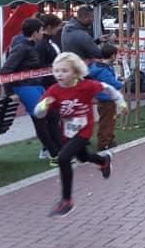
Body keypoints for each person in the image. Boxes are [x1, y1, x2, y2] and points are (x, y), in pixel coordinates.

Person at [33, 52, 127, 217]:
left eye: (64, 71)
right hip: (68, 131)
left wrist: (120, 101)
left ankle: (66, 201)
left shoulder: (86, 86)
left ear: (75, 72)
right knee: (83, 157)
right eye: (56, 71)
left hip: (84, 129)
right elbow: (38, 114)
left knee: (63, 158)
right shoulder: (53, 90)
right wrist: (43, 106)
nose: (59, 75)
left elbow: (108, 88)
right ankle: (104, 160)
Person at [0, 17, 62, 164]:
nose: (43, 34)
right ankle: (53, 154)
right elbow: (5, 70)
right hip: (25, 87)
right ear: (35, 33)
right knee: (40, 119)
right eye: (41, 31)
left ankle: (61, 149)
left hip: (36, 84)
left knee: (53, 115)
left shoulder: (30, 44)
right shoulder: (21, 47)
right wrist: (10, 92)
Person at [87, 44, 124, 151]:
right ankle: (104, 143)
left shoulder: (99, 67)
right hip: (106, 99)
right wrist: (121, 83)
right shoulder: (103, 70)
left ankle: (110, 139)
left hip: (104, 98)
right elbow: (111, 83)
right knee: (106, 122)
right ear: (112, 56)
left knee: (109, 120)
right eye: (116, 55)